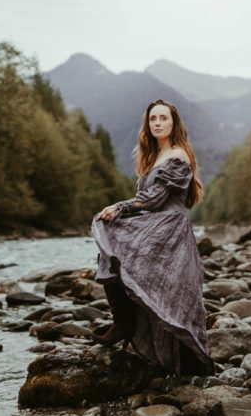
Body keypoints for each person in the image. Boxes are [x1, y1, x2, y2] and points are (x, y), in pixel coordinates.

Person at [91, 99, 213, 376]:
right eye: (153, 119)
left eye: (163, 118)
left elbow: (155, 198)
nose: (157, 123)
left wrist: (119, 208)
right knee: (115, 254)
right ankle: (124, 322)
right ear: (147, 124)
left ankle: (187, 363)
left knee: (174, 293)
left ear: (173, 124)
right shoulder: (153, 156)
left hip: (170, 229)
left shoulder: (178, 156)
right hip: (158, 225)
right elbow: (151, 199)